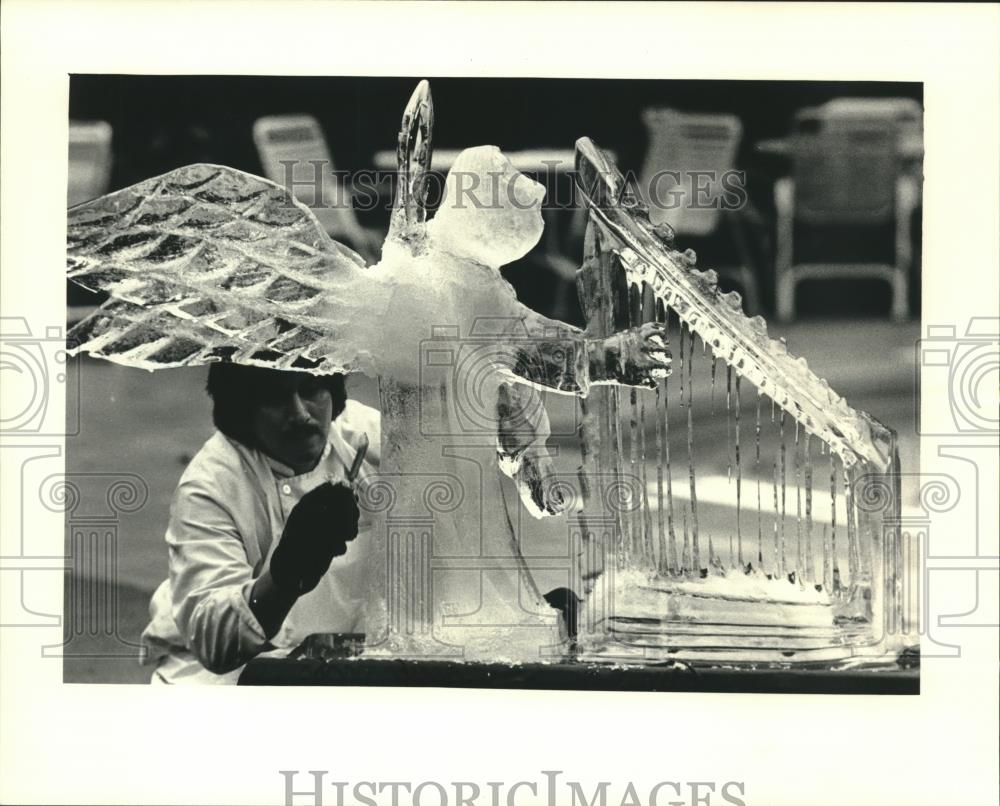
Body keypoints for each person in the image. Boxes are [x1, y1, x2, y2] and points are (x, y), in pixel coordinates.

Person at [140, 362, 379, 684]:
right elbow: (216, 644)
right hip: (230, 675)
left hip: (347, 656)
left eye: (310, 390)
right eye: (275, 398)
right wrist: (285, 576)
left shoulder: (368, 436)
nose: (299, 415)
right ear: (242, 409)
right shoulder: (209, 485)